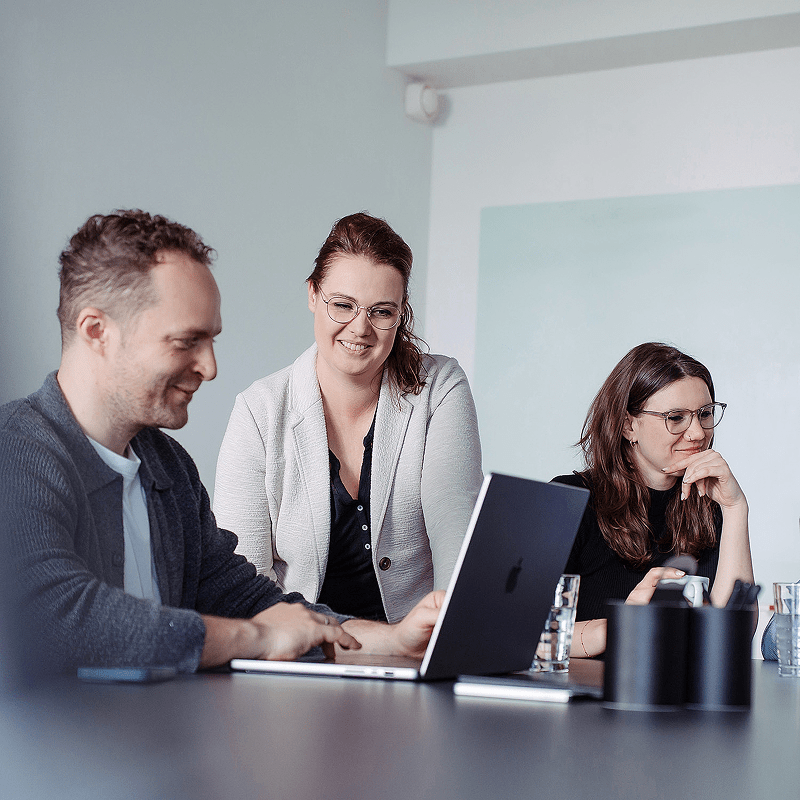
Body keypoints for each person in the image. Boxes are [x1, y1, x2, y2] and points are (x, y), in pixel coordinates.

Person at [0, 210, 444, 674]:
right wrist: (256, 638)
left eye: (210, 341)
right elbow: (60, 619)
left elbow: (255, 605)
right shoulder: (17, 453)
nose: (209, 367)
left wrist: (397, 639)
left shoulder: (169, 470)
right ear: (96, 331)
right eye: (186, 341)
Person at [214, 213, 483, 623]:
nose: (360, 329)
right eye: (342, 305)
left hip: (415, 653)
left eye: (381, 312)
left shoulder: (440, 387)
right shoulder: (258, 410)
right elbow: (243, 578)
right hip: (299, 655)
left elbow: (456, 531)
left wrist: (444, 640)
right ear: (312, 295)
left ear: (400, 313)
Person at [552, 342, 754, 657]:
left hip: (675, 695)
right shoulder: (569, 500)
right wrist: (624, 626)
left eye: (705, 414)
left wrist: (735, 509)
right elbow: (527, 630)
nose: (698, 433)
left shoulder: (708, 502)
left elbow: (731, 635)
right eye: (676, 418)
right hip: (589, 694)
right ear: (628, 425)